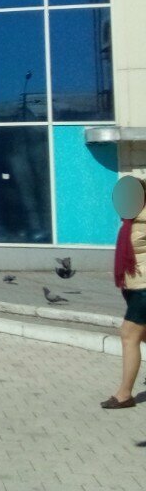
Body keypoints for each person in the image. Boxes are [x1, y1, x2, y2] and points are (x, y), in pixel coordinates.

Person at [102, 176, 146, 410]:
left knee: (129, 335)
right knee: (142, 336)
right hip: (133, 288)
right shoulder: (130, 220)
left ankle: (124, 395)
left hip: (144, 290)